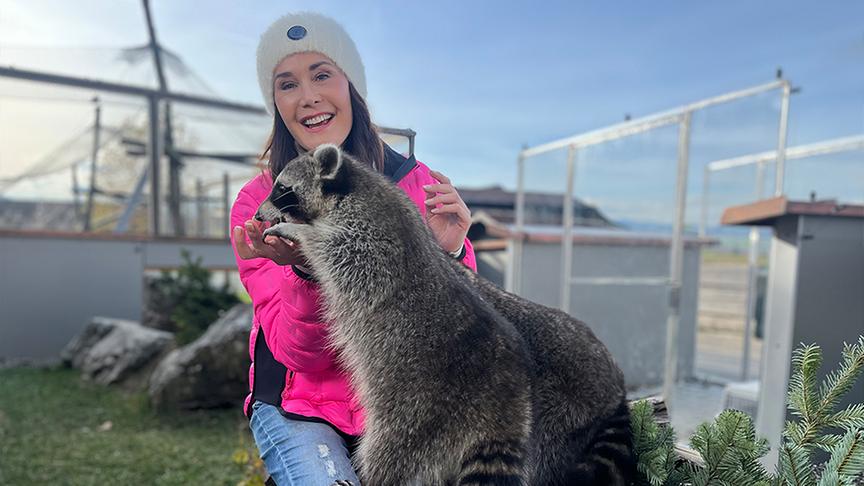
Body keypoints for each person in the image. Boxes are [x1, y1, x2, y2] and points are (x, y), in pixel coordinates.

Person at [230, 12, 477, 485]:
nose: (308, 96)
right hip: (301, 406)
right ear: (276, 103)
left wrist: (448, 254)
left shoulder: (420, 187)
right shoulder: (258, 204)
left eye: (322, 74)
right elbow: (301, 356)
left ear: (352, 87)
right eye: (287, 84)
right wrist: (305, 270)